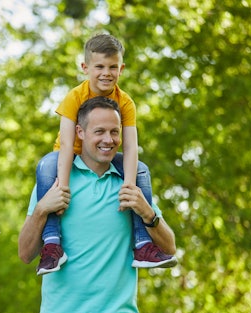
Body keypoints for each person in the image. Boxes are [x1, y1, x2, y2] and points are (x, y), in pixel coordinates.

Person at [19, 96, 177, 313]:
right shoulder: (54, 179)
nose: (109, 140)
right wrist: (41, 210)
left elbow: (170, 247)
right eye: (100, 132)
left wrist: (147, 212)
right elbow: (24, 254)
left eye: (115, 132)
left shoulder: (129, 180)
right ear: (79, 132)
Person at [34, 33, 177, 275]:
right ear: (85, 67)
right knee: (47, 164)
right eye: (99, 66)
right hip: (70, 154)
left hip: (104, 153)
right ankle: (51, 244)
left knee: (141, 170)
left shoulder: (125, 102)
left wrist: (130, 188)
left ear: (121, 68)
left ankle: (142, 245)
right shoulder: (75, 97)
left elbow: (130, 147)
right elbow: (67, 144)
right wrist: (63, 188)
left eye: (113, 67)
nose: (106, 72)